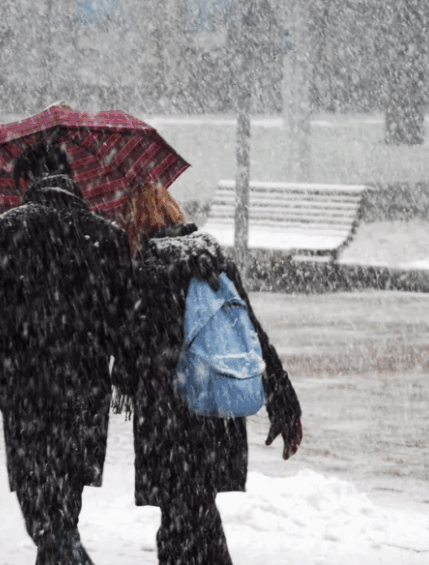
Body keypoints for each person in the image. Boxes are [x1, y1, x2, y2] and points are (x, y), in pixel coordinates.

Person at [111, 184, 303, 565]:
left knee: (183, 524)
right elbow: (252, 336)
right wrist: (283, 402)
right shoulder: (214, 259)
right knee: (194, 515)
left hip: (170, 420)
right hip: (217, 410)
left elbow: (130, 359)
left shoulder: (146, 269)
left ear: (135, 222)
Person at [0, 143, 134, 565]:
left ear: (29, 180)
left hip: (27, 391)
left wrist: (5, 383)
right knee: (64, 507)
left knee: (44, 517)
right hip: (85, 391)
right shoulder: (109, 236)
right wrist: (121, 375)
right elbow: (125, 322)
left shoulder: (10, 228)